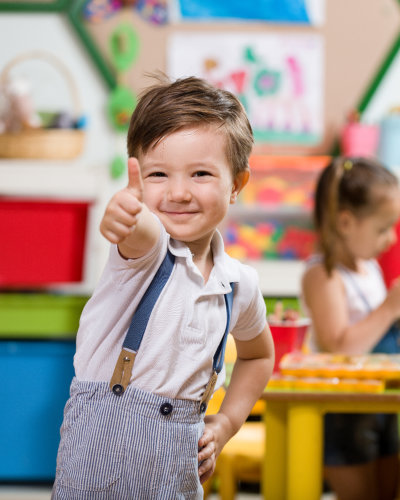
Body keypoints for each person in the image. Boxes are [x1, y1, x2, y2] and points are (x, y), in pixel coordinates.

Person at [52, 75, 274, 499]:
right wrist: (126, 216)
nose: (177, 192)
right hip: (95, 469)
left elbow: (259, 355)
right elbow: (139, 231)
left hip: (177, 475)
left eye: (201, 173)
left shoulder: (239, 284)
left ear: (237, 186)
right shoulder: (146, 253)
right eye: (157, 174)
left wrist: (226, 423)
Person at [302, 156, 400, 500]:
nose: (390, 239)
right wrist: (389, 308)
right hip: (345, 409)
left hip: (384, 403)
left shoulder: (369, 267)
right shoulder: (324, 275)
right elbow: (338, 347)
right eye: (383, 227)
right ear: (346, 222)